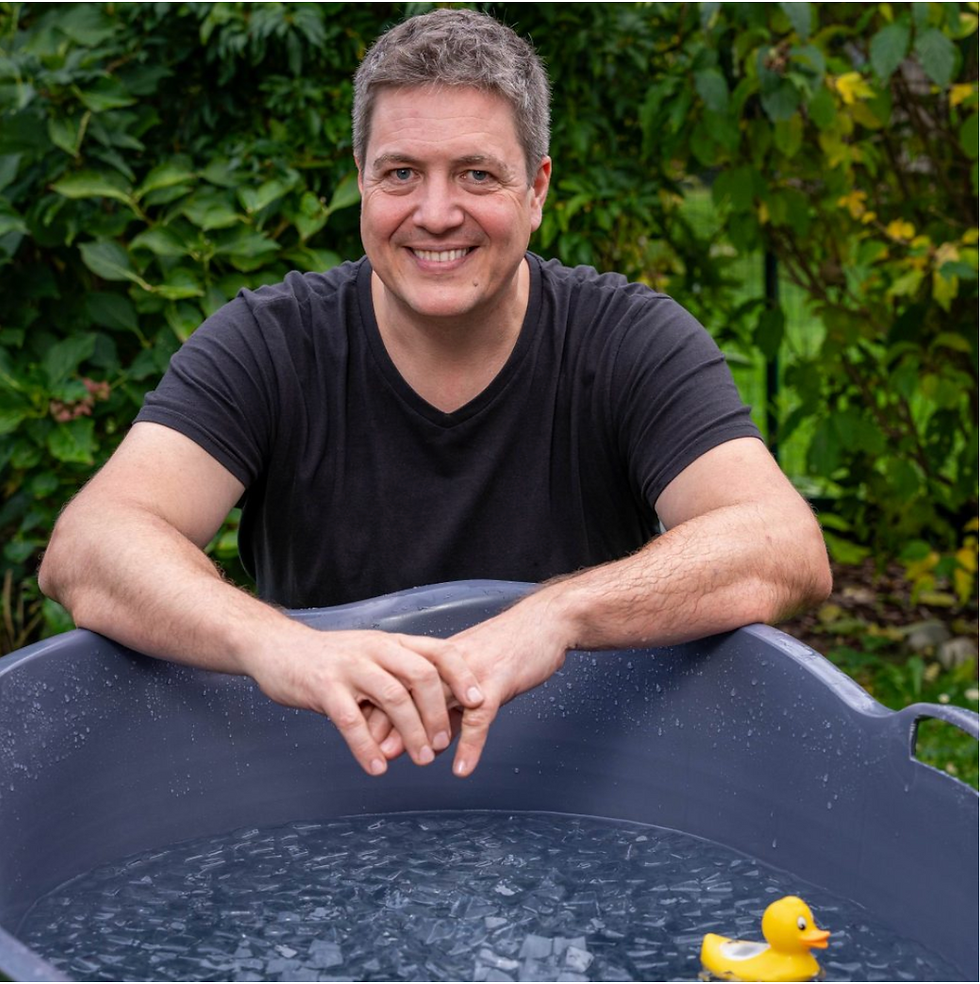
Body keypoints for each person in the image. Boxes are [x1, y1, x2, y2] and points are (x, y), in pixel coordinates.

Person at [38, 9, 831, 781]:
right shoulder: (270, 343)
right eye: (401, 174)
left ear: (537, 190)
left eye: (477, 174)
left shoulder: (627, 341)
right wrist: (277, 643)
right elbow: (91, 547)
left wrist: (558, 615)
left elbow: (780, 544)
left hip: (584, 790)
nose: (436, 213)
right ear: (362, 183)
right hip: (322, 784)